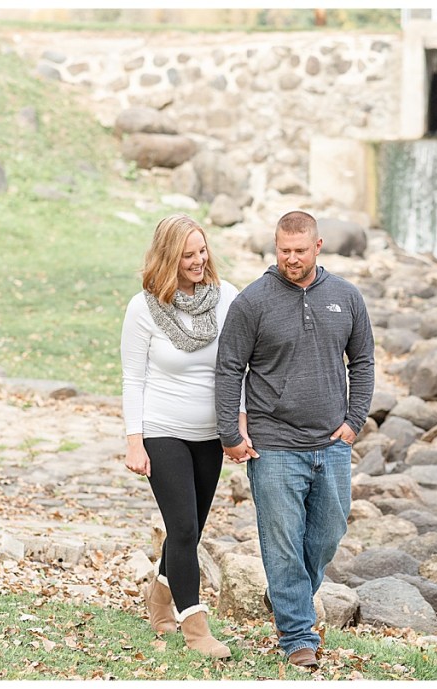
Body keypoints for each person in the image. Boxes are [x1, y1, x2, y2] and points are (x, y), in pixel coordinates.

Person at [215, 210, 375, 670]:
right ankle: (297, 636)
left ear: (318, 246)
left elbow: (362, 361)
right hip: (274, 443)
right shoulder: (253, 302)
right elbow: (229, 368)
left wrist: (354, 420)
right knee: (282, 541)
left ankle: (285, 594)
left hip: (332, 442)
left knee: (328, 534)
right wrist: (231, 431)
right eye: (283, 250)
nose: (290, 258)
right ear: (275, 246)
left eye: (299, 250)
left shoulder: (346, 297)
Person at [120, 213, 240, 659]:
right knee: (185, 528)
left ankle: (160, 594)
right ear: (169, 256)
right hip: (162, 430)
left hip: (210, 435)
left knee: (186, 530)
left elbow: (238, 365)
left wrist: (239, 421)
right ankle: (196, 628)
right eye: (187, 254)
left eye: (202, 251)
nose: (197, 260)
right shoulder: (143, 307)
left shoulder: (226, 297)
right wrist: (135, 440)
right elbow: (133, 378)